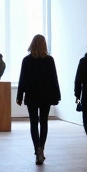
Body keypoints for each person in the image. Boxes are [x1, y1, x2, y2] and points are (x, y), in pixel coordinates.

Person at [16, 34, 60, 165]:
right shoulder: (49, 60)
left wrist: (19, 96)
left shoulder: (27, 60)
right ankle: (42, 148)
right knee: (44, 122)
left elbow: (22, 79)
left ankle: (37, 149)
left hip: (32, 96)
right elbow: (54, 79)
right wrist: (57, 96)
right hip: (46, 96)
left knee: (34, 123)